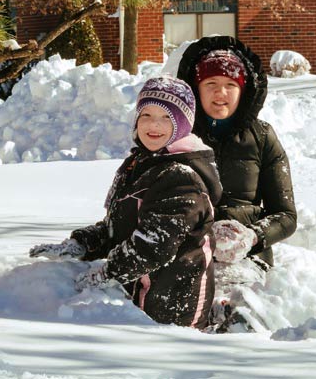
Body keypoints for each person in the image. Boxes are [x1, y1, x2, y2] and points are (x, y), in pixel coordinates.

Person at [30, 77, 222, 328]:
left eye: (167, 118)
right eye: (147, 115)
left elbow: (153, 245)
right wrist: (82, 243)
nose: (154, 124)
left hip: (173, 307)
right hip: (142, 294)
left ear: (183, 124)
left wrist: (106, 273)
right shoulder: (142, 163)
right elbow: (121, 226)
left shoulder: (180, 177)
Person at [175, 35, 297, 331]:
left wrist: (251, 237)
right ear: (195, 89)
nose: (221, 94)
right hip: (189, 251)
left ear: (244, 90)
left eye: (231, 85)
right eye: (211, 85)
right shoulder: (176, 135)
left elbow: (286, 215)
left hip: (245, 258)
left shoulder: (263, 137)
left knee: (236, 310)